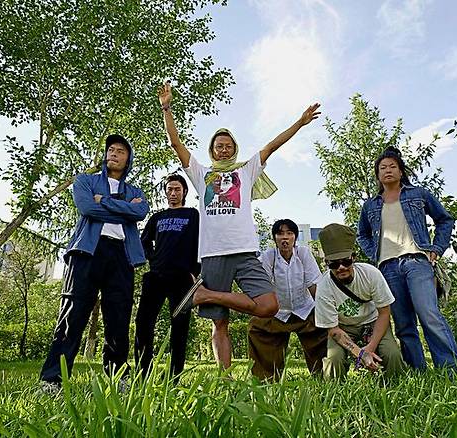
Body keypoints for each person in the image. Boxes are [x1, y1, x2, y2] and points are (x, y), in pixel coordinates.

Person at [158, 81, 321, 369]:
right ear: (212, 150)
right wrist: (167, 108)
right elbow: (175, 144)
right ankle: (226, 377)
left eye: (228, 146)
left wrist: (301, 122)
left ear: (234, 149)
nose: (223, 150)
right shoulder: (201, 173)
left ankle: (205, 294)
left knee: (269, 305)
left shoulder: (246, 171)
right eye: (218, 146)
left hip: (245, 252)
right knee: (218, 322)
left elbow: (272, 145)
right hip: (212, 253)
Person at [40, 134, 149, 392]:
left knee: (119, 318)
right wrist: (123, 208)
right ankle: (52, 379)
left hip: (122, 255)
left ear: (128, 159)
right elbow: (87, 208)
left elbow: (141, 211)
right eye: (111, 149)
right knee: (72, 314)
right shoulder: (85, 181)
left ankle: (118, 377)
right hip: (87, 252)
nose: (114, 153)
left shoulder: (135, 192)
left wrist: (107, 202)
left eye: (120, 151)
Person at [357, 146, 457, 374]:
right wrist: (374, 253)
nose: (387, 171)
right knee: (404, 324)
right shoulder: (370, 205)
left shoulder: (419, 194)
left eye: (392, 166)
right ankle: (418, 372)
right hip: (387, 268)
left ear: (401, 170)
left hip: (417, 262)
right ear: (377, 174)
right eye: (382, 168)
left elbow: (444, 219)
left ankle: (452, 372)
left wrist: (437, 247)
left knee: (429, 315)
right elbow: (362, 234)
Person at [315, 223, 405, 379]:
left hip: (372, 322)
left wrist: (370, 347)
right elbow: (333, 330)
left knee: (392, 354)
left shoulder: (371, 274)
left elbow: (384, 313)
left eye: (345, 261)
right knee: (333, 359)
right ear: (327, 263)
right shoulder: (323, 287)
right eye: (334, 264)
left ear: (353, 258)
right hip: (343, 328)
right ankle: (335, 397)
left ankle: (394, 390)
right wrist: (360, 353)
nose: (341, 267)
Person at [134, 174, 200, 380]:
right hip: (156, 277)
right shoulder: (157, 218)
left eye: (177, 189)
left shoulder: (193, 215)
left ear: (184, 192)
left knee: (179, 326)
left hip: (182, 278)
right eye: (169, 190)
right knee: (143, 323)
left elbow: (203, 241)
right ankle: (143, 372)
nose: (173, 193)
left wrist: (195, 271)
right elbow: (143, 241)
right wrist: (153, 259)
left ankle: (174, 375)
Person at [248, 219, 326, 381]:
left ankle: (323, 376)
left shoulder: (304, 253)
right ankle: (265, 381)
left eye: (289, 233)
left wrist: (325, 312)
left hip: (304, 309)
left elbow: (314, 285)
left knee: (322, 332)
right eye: (280, 234)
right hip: (277, 312)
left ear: (295, 238)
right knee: (256, 329)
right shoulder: (268, 257)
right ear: (274, 238)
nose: (285, 238)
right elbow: (263, 288)